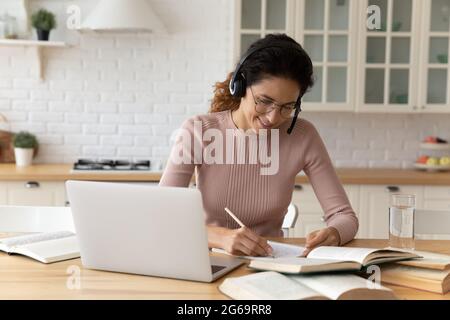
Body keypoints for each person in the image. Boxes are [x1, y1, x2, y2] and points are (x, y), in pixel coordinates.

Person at [160, 33, 358, 257]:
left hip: (271, 263)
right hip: (207, 260)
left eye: (287, 106)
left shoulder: (303, 136)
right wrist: (220, 237)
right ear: (241, 85)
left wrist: (334, 233)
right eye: (264, 101)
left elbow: (345, 216)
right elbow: (162, 216)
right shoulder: (198, 131)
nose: (274, 118)